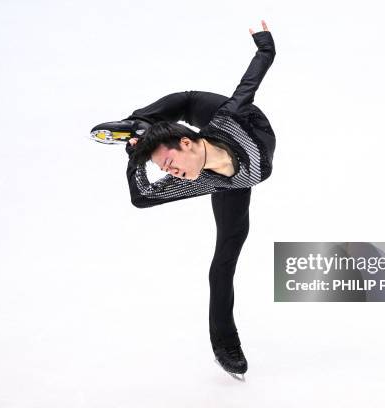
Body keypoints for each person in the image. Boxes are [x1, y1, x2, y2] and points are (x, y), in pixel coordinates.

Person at [90, 20, 276, 380]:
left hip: (241, 125)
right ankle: (225, 344)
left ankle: (140, 122)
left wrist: (263, 42)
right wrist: (134, 160)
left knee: (188, 99)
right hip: (231, 183)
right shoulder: (197, 182)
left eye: (170, 163)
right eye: (166, 169)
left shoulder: (229, 118)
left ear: (186, 143)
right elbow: (142, 197)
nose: (171, 173)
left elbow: (257, 70)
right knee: (223, 263)